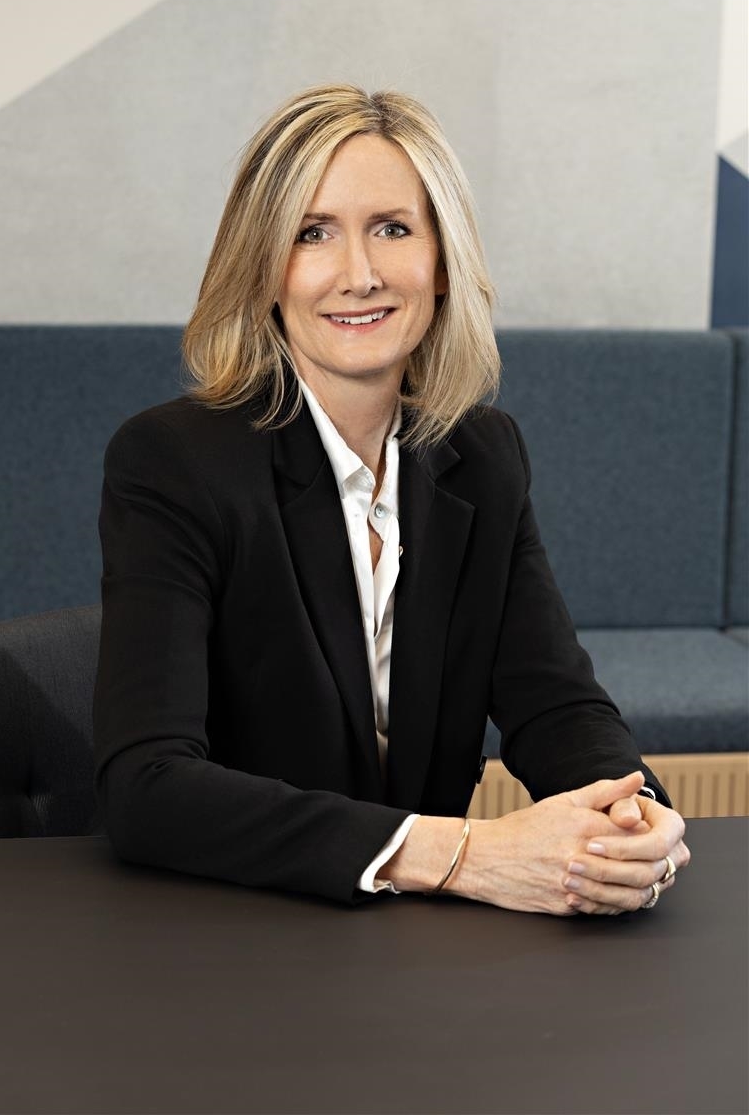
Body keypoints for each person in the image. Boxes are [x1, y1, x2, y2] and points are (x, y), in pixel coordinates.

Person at [93, 83, 689, 914]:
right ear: (263, 269)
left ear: (442, 263)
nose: (360, 274)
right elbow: (147, 787)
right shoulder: (175, 461)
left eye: (392, 229)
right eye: (312, 233)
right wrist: (466, 854)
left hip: (415, 944)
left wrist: (629, 817)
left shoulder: (482, 456)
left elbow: (556, 704)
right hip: (238, 928)